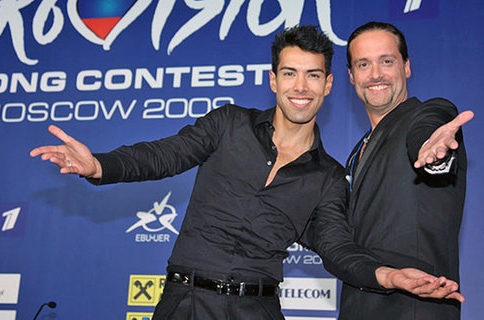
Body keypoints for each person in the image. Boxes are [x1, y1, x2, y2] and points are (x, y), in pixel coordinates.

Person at [30, 25, 462, 319]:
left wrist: (385, 274)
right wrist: (100, 165)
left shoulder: (329, 176)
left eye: (313, 76)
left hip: (259, 310)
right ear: (272, 80)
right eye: (290, 73)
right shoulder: (227, 124)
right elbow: (163, 155)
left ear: (329, 85)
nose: (300, 87)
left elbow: (337, 249)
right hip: (185, 304)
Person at [334, 21, 474, 320]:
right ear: (351, 76)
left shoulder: (426, 116)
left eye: (387, 61)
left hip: (414, 308)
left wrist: (432, 153)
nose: (375, 74)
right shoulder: (355, 154)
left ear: (406, 67)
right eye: (363, 64)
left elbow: (429, 127)